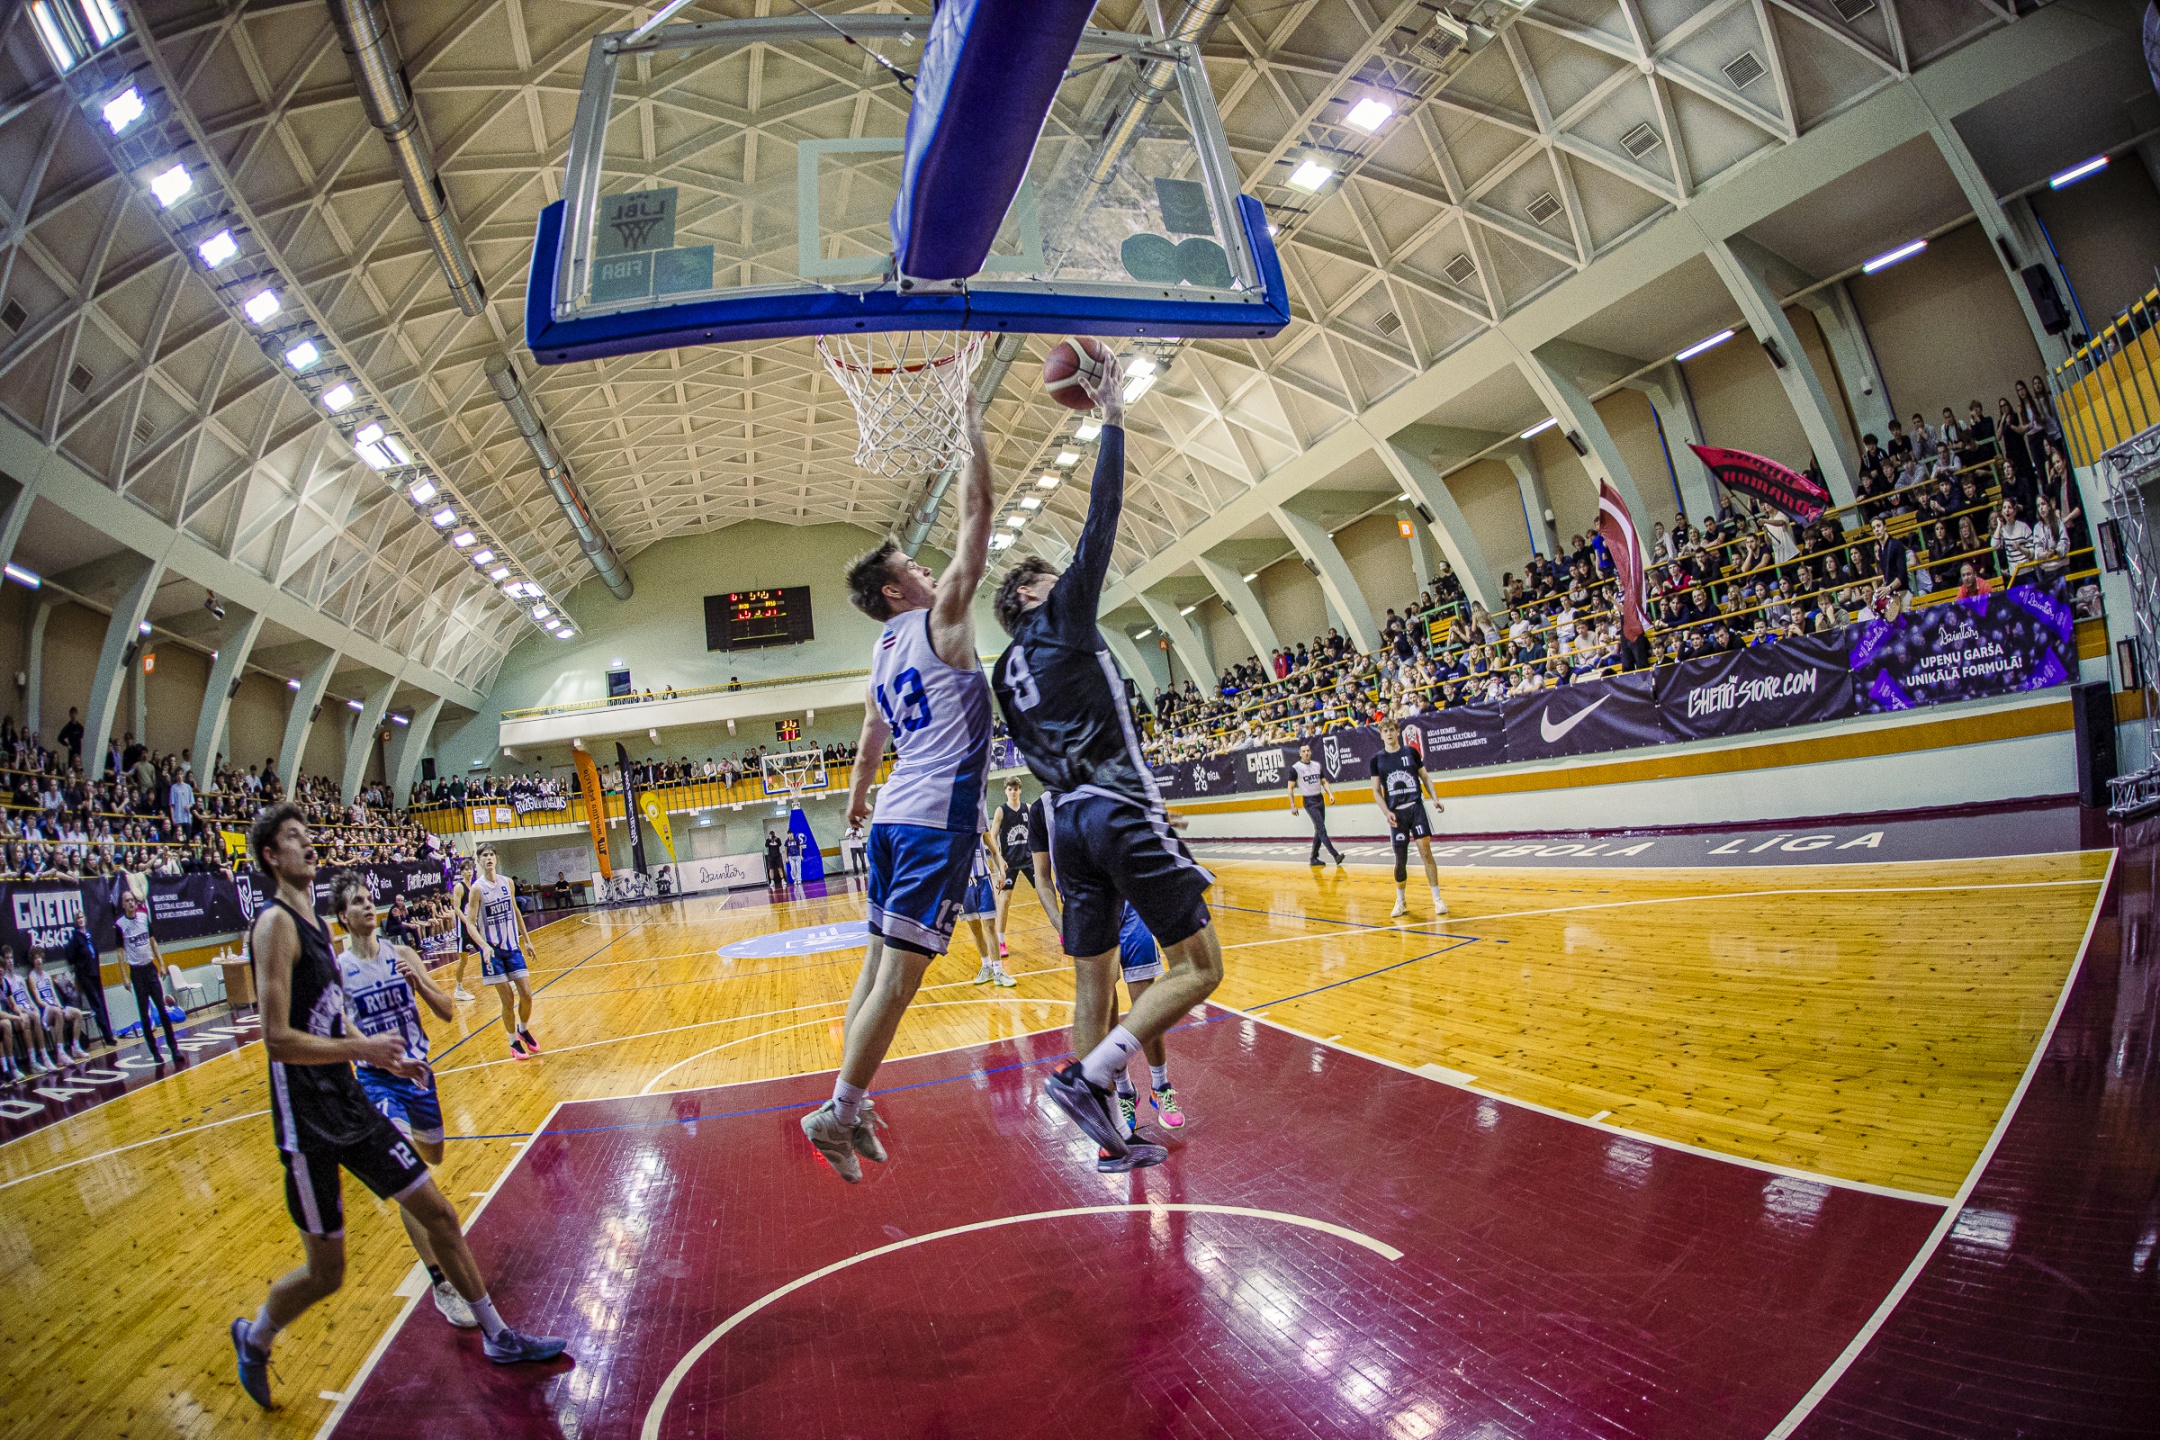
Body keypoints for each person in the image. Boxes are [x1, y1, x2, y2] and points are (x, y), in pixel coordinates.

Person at [230, 804, 565, 1409]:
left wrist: (387, 1059)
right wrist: (364, 1049)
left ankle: (499, 1335)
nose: (308, 843)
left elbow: (331, 1019)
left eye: (307, 833)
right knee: (326, 1273)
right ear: (271, 857)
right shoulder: (275, 925)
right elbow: (275, 1038)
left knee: (438, 1212)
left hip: (351, 1101)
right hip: (307, 1122)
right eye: (293, 838)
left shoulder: (316, 928)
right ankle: (255, 1338)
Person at [989, 349, 1219, 1169]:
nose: (1067, 582)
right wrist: (1113, 413)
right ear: (1029, 597)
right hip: (1118, 804)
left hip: (1066, 824)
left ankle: (1111, 1140)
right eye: (1051, 580)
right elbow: (1104, 515)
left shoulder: (1003, 670)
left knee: (1094, 980)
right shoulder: (1059, 618)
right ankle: (1088, 1078)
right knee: (1200, 967)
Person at [799, 386, 996, 1185]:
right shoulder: (942, 620)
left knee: (875, 969)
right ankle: (837, 1113)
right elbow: (978, 516)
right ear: (894, 591)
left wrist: (854, 802)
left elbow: (870, 739)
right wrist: (970, 429)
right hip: (932, 821)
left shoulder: (881, 653)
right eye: (913, 567)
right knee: (900, 981)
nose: (927, 568)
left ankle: (850, 1101)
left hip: (890, 819)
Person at [329, 870, 474, 1330]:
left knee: (433, 1156)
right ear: (342, 916)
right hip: (377, 1081)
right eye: (356, 902)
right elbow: (340, 1028)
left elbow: (447, 1012)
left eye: (368, 898)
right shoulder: (338, 970)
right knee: (408, 1178)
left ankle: (430, 1213)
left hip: (420, 1076)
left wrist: (421, 983)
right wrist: (373, 1053)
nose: (367, 906)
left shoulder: (403, 954)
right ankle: (441, 1282)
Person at [1027, 792, 1184, 1170]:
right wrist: (1060, 923)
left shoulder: (1104, 787)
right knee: (1105, 1013)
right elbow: (1042, 878)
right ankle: (1124, 1096)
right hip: (1086, 913)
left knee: (1147, 1006)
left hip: (1130, 904)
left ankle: (1161, 1086)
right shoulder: (1041, 809)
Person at [1370, 719, 1449, 920]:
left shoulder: (1410, 752)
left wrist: (1435, 798)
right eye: (1385, 731)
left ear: (1398, 732)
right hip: (1397, 814)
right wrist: (1386, 812)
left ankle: (1437, 899)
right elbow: (1376, 791)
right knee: (1401, 859)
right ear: (1381, 735)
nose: (1389, 733)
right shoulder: (1377, 760)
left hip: (1416, 808)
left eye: (1392, 730)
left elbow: (1425, 777)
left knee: (1426, 852)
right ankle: (1401, 900)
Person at [467, 845, 541, 1061]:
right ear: (479, 861)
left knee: (527, 995)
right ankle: (513, 1042)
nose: (489, 858)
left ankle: (523, 1029)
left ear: (496, 859)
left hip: (512, 947)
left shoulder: (507, 882)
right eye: (484, 855)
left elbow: (516, 912)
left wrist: (527, 940)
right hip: (493, 952)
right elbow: (470, 923)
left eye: (491, 855)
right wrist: (483, 945)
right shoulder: (477, 889)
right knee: (507, 1000)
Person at [116, 888, 180, 1061]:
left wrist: (161, 963)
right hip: (137, 972)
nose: (131, 903)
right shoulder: (120, 925)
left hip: (150, 969)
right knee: (144, 1014)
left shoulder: (144, 918)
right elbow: (120, 953)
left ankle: (174, 1049)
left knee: (162, 1009)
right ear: (123, 905)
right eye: (127, 901)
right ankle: (155, 1052)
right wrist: (124, 977)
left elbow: (153, 942)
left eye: (132, 900)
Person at [989, 776, 1033, 958]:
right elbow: (992, 837)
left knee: (1046, 892)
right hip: (1009, 862)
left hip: (1029, 859)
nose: (1013, 792)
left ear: (1020, 790)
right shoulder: (1001, 811)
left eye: (1016, 789)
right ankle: (1001, 941)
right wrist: (999, 860)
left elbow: (1039, 831)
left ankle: (1062, 933)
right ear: (1005, 791)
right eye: (1010, 789)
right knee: (1005, 900)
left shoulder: (1028, 808)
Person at [1, 946, 64, 1072]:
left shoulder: (19, 978)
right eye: (7, 958)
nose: (10, 961)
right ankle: (33, 1060)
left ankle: (45, 1056)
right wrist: (24, 1013)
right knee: (28, 1019)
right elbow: (12, 1005)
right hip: (16, 1014)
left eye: (11, 958)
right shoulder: (4, 981)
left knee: (36, 1015)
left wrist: (35, 1009)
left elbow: (29, 999)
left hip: (28, 1010)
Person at [961, 834, 1012, 987]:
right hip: (962, 883)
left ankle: (998, 971)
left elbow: (994, 849)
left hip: (983, 880)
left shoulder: (979, 821)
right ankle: (986, 966)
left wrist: (1001, 869)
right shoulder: (948, 826)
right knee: (975, 928)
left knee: (990, 926)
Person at [25, 949, 88, 1060]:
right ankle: (60, 1053)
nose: (38, 960)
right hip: (45, 1011)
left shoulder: (46, 975)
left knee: (77, 1013)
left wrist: (59, 1006)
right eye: (35, 958)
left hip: (55, 1007)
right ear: (32, 961)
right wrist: (52, 1007)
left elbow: (54, 995)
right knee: (57, 1011)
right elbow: (38, 1000)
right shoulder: (32, 976)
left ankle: (76, 1047)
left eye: (39, 957)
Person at [1286, 742, 1341, 866]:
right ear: (1300, 754)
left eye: (1308, 750)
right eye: (1303, 751)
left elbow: (1324, 781)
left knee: (1319, 830)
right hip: (1309, 801)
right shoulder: (1296, 768)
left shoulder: (1316, 765)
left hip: (1319, 798)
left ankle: (1314, 858)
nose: (1306, 753)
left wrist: (1330, 794)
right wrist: (1292, 805)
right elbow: (1290, 788)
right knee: (1321, 829)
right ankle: (1335, 855)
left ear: (1310, 752)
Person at [62, 918, 114, 1047]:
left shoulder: (89, 935)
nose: (80, 920)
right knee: (96, 1004)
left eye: (82, 917)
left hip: (95, 972)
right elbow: (71, 957)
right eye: (78, 918)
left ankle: (109, 1033)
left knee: (102, 1003)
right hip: (85, 975)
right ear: (75, 921)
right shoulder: (76, 938)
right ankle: (107, 1036)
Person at [446, 857, 479, 1002]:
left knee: (487, 950)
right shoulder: (459, 887)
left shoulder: (474, 887)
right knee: (464, 959)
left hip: (474, 926)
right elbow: (456, 908)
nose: (469, 872)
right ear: (461, 872)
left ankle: (504, 979)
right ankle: (458, 989)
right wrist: (467, 922)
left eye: (470, 869)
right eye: (466, 870)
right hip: (463, 928)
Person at [1870, 516, 1909, 620]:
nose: (1876, 530)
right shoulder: (1880, 550)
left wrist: (1888, 588)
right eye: (1873, 528)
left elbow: (1902, 574)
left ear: (1885, 527)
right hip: (1892, 594)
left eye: (1878, 526)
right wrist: (1883, 587)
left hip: (1902, 593)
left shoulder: (1896, 545)